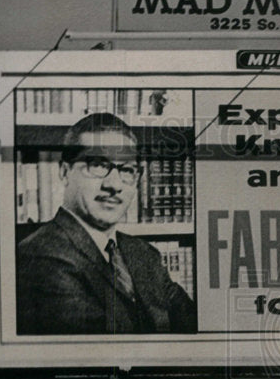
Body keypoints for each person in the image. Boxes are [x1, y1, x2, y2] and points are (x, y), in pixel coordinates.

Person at [16, 112, 196, 335]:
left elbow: (198, 327)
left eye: (127, 170)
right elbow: (101, 354)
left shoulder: (144, 255)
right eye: (99, 165)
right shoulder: (41, 256)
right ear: (64, 173)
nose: (114, 185)